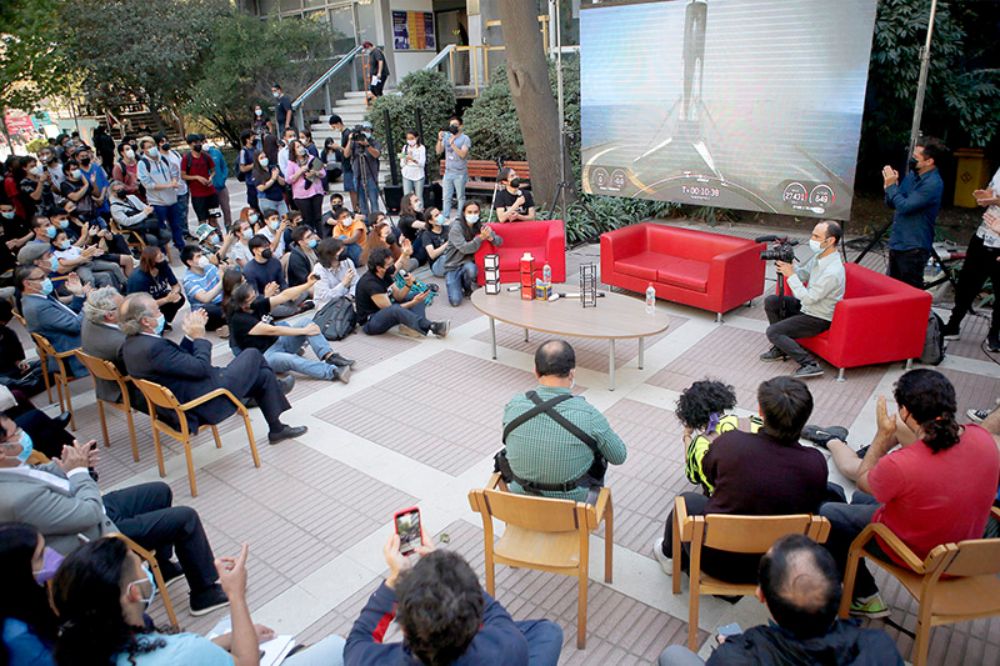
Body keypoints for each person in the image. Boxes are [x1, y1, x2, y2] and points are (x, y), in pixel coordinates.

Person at [819, 369, 1000, 618]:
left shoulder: (902, 464)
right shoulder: (984, 439)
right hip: (966, 549)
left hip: (922, 557)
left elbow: (863, 479)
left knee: (830, 513)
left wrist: (882, 437)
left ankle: (865, 596)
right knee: (861, 501)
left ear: (905, 412)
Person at [0, 426, 232, 616]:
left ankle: (163, 566)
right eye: (15, 432)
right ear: (2, 450)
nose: (22, 433)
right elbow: (87, 513)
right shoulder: (15, 498)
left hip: (81, 509)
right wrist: (79, 473)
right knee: (185, 518)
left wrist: (73, 463)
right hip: (91, 532)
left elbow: (37, 474)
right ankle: (204, 593)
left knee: (159, 492)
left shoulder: (9, 471)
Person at [52, 538, 346, 666]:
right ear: (132, 593)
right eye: (139, 565)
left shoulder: (84, 645)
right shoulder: (181, 653)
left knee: (222, 629)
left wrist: (228, 639)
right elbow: (246, 664)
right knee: (339, 647)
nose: (147, 569)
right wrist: (235, 595)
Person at [654, 377, 828, 584]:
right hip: (780, 563)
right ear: (806, 417)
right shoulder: (816, 463)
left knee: (686, 501)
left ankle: (668, 554)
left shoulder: (729, 445)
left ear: (761, 411)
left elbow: (708, 478)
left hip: (719, 561)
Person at [656, 535, 903, 666]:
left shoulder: (734, 658)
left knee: (673, 655)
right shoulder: (882, 648)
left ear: (760, 595)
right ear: (838, 589)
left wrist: (733, 648)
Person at [345, 533, 562, 665]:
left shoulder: (370, 660)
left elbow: (359, 639)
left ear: (402, 627)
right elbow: (496, 614)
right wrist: (445, 572)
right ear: (478, 625)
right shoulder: (509, 647)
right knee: (549, 632)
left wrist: (395, 580)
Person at [121, 293, 307, 444]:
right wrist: (200, 337)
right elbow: (201, 367)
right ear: (145, 321)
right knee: (252, 355)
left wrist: (189, 337)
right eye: (156, 310)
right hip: (205, 402)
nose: (160, 312)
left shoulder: (132, 345)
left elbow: (176, 361)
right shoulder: (153, 348)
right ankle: (273, 390)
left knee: (262, 374)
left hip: (186, 396)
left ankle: (277, 429)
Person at [500, 340, 628, 503]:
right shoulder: (589, 415)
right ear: (572, 373)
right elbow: (619, 456)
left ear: (536, 372)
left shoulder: (514, 405)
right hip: (573, 509)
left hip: (519, 501)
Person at [760, 220, 845, 379]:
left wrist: (790, 275)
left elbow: (809, 298)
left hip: (818, 317)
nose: (812, 239)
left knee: (773, 331)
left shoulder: (833, 271)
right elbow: (803, 274)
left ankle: (810, 364)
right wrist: (789, 263)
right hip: (807, 307)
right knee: (772, 301)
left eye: (816, 236)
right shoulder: (820, 257)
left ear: (830, 240)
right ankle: (781, 348)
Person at [227, 281, 353, 383]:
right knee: (292, 360)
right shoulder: (239, 320)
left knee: (305, 321)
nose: (256, 299)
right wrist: (303, 331)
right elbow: (272, 330)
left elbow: (284, 296)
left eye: (255, 295)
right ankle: (331, 372)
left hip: (279, 342)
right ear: (244, 305)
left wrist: (308, 284)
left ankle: (329, 356)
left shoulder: (256, 304)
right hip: (266, 355)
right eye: (252, 299)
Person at [943, 169, 1000, 351]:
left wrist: (996, 201)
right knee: (967, 283)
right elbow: (992, 191)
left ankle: (994, 334)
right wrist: (985, 197)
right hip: (984, 235)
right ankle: (953, 325)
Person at [676, 379, 762, 497]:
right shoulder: (754, 423)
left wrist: (686, 436)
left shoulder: (700, 444)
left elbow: (693, 476)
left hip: (727, 508)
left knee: (687, 498)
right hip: (768, 500)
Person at [882, 139, 947, 289]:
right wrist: (890, 186)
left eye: (917, 157)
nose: (912, 159)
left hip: (914, 247)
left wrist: (892, 187)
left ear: (929, 161)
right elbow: (893, 203)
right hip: (898, 241)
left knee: (909, 291)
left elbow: (905, 206)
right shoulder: (912, 175)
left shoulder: (933, 184)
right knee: (890, 288)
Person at [356, 247, 449, 338]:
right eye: (389, 265)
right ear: (379, 268)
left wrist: (408, 285)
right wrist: (413, 303)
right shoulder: (371, 284)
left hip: (388, 309)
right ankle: (431, 326)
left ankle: (414, 327)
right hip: (371, 322)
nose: (392, 266)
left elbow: (398, 296)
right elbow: (390, 309)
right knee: (396, 309)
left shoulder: (385, 274)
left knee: (416, 295)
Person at [0, 522, 58, 666]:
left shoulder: (28, 594)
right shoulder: (17, 635)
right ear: (17, 571)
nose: (50, 555)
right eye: (40, 556)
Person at [17, 266, 88, 378]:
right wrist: (89, 304)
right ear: (27, 284)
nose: (47, 280)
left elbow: (70, 314)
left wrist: (79, 294)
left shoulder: (37, 298)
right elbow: (75, 325)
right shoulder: (38, 307)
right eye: (42, 278)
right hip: (75, 354)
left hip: (74, 339)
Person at [443, 202, 501, 306]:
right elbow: (465, 249)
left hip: (467, 263)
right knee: (455, 301)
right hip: (453, 266)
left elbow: (499, 241)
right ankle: (457, 282)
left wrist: (491, 238)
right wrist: (480, 238)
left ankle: (467, 287)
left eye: (475, 212)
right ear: (464, 213)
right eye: (469, 212)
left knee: (472, 269)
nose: (473, 214)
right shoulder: (456, 228)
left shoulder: (481, 227)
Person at [136, 135, 186, 251]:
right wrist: (168, 185)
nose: (152, 148)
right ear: (144, 150)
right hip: (157, 201)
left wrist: (173, 181)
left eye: (153, 145)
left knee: (176, 225)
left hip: (172, 199)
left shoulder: (163, 159)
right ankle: (162, 251)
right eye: (148, 147)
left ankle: (181, 246)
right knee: (160, 228)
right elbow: (148, 184)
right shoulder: (143, 164)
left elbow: (174, 172)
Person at [127, 246, 186, 328]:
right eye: (160, 257)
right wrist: (167, 299)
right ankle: (154, 326)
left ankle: (164, 323)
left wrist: (174, 294)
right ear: (152, 262)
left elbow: (175, 285)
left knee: (179, 298)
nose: (164, 258)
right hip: (141, 308)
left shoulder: (163, 266)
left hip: (156, 299)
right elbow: (141, 305)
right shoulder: (139, 279)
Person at [52, 228, 127, 290]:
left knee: (114, 266)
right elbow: (64, 263)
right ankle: (93, 296)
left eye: (66, 238)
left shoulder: (72, 247)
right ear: (55, 243)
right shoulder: (58, 253)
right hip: (80, 267)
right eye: (62, 239)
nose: (66, 240)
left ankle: (125, 284)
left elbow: (83, 251)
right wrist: (80, 259)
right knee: (89, 279)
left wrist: (93, 251)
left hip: (89, 263)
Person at [180, 245, 227, 333]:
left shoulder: (210, 267)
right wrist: (222, 281)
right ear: (190, 262)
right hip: (206, 310)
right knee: (214, 310)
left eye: (202, 255)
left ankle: (227, 325)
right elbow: (205, 299)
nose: (203, 258)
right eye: (198, 256)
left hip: (221, 302)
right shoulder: (189, 281)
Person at [109, 181, 170, 249]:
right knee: (153, 240)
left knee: (167, 235)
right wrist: (144, 213)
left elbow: (144, 207)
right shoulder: (115, 208)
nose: (121, 191)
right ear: (113, 193)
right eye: (118, 190)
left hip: (146, 225)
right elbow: (126, 222)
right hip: (134, 231)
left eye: (122, 189)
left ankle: (152, 253)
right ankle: (151, 254)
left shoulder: (132, 197)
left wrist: (150, 208)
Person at [180, 134, 220, 234]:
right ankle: (205, 239)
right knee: (202, 220)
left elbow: (213, 170)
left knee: (213, 218)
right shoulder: (186, 159)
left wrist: (210, 178)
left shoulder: (206, 156)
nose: (198, 145)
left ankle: (216, 236)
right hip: (198, 195)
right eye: (195, 143)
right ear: (190, 145)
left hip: (210, 192)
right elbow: (183, 175)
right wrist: (197, 177)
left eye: (199, 142)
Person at [436, 115, 471, 220]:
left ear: (461, 126)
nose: (453, 127)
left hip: (460, 173)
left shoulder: (465, 138)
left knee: (460, 197)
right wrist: (439, 139)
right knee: (446, 196)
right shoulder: (447, 136)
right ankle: (445, 216)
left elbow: (463, 155)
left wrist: (453, 145)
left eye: (455, 125)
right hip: (448, 172)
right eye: (451, 125)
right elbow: (438, 151)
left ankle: (460, 217)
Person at [286, 139, 325, 233]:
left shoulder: (312, 158)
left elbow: (323, 173)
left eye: (301, 146)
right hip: (301, 195)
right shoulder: (292, 163)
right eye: (297, 147)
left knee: (318, 217)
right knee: (307, 219)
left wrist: (315, 173)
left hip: (316, 191)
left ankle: (321, 237)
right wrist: (300, 171)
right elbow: (288, 179)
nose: (301, 148)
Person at [343, 121, 381, 217]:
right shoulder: (355, 142)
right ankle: (366, 224)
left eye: (368, 130)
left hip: (371, 176)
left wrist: (367, 145)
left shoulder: (374, 142)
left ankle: (376, 220)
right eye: (364, 130)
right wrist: (350, 140)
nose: (365, 132)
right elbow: (346, 154)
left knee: (374, 202)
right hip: (358, 176)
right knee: (362, 203)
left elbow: (376, 154)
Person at [154, 134, 189, 232]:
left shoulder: (175, 154)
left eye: (166, 141)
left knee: (183, 212)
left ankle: (185, 232)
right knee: (172, 215)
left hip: (182, 188)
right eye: (162, 142)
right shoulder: (157, 158)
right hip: (169, 190)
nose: (165, 143)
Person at [312, 238, 359, 309]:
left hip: (348, 301)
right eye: (339, 250)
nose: (343, 252)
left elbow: (356, 283)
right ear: (330, 255)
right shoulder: (319, 269)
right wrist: (343, 284)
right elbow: (325, 297)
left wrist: (350, 296)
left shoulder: (347, 262)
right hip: (328, 307)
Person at [329, 114, 357, 212]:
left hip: (350, 166)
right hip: (347, 165)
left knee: (352, 189)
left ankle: (356, 208)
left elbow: (347, 152)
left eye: (334, 126)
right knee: (351, 189)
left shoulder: (347, 134)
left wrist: (338, 147)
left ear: (338, 123)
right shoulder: (344, 133)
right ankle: (356, 208)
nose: (334, 128)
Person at [253, 149, 288, 217]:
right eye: (261, 158)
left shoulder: (273, 167)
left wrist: (277, 176)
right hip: (267, 200)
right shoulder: (256, 172)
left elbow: (283, 183)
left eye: (265, 157)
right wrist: (273, 179)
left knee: (285, 219)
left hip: (280, 199)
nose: (264, 159)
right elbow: (261, 188)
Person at [399, 130, 426, 205]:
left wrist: (413, 159)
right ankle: (408, 213)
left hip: (418, 174)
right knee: (407, 196)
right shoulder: (405, 147)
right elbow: (401, 162)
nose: (410, 141)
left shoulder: (421, 148)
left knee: (419, 196)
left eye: (412, 138)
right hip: (407, 173)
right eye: (408, 139)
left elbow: (422, 163)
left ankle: (420, 212)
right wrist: (405, 159)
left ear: (416, 138)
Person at [237, 130, 259, 211]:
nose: (254, 138)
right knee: (254, 205)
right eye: (252, 136)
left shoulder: (255, 148)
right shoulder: (244, 151)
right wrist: (255, 164)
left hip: (259, 180)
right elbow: (242, 168)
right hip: (251, 182)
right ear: (247, 139)